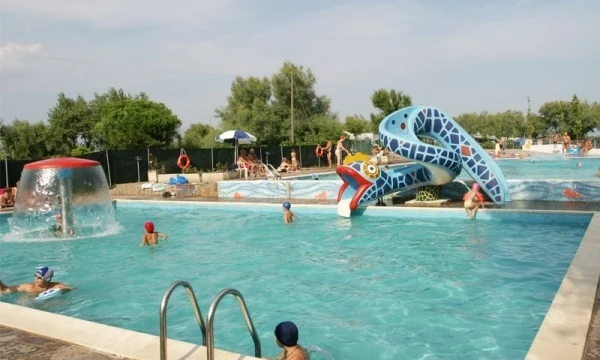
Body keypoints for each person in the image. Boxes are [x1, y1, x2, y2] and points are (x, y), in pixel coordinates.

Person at [0, 266, 73, 295]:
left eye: (39, 278)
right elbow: (4, 290)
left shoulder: (56, 285)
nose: (36, 279)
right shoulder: (27, 287)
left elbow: (73, 288)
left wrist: (65, 290)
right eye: (36, 276)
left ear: (48, 279)